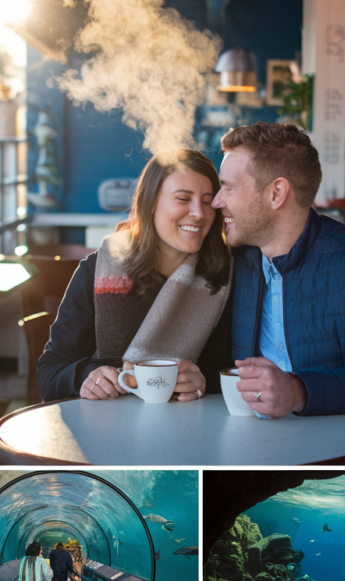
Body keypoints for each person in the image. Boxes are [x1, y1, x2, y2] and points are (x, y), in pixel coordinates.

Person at [210, 121, 345, 457]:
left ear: (277, 193)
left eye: (228, 188)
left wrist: (296, 391)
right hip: (249, 443)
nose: (217, 202)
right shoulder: (239, 260)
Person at [37, 149, 233, 404]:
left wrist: (205, 380)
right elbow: (50, 373)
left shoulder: (225, 278)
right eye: (183, 199)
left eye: (207, 201)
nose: (198, 212)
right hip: (104, 428)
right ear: (150, 204)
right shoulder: (97, 269)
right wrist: (87, 376)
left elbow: (235, 371)